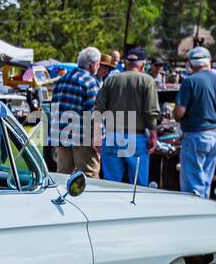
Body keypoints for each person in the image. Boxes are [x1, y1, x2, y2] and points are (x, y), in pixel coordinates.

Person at [95, 48, 159, 186]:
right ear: (142, 64)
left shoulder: (111, 80)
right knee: (138, 187)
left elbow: (98, 109)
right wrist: (153, 135)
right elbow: (150, 112)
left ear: (125, 63)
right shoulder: (147, 81)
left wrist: (96, 134)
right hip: (135, 138)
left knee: (110, 186)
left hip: (112, 137)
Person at [173, 46, 216, 196]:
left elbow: (179, 113)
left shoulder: (189, 82)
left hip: (196, 136)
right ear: (209, 61)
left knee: (192, 186)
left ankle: (193, 216)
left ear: (190, 64)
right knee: (205, 182)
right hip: (215, 136)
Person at [50, 47, 102, 178]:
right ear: (92, 64)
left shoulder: (62, 80)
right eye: (98, 63)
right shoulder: (90, 82)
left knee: (62, 177)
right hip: (82, 140)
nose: (99, 66)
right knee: (89, 178)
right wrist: (98, 136)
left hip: (61, 137)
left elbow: (53, 109)